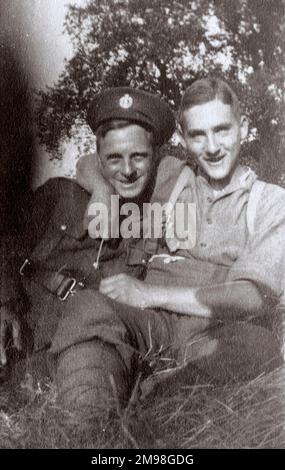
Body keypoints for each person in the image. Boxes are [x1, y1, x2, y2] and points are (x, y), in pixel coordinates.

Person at [51, 78, 285, 418]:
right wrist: (102, 191)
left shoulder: (271, 202)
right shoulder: (173, 177)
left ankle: (154, 402)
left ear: (243, 128)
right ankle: (90, 426)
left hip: (212, 328)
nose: (213, 147)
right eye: (198, 135)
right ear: (183, 139)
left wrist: (149, 295)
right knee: (90, 307)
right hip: (150, 322)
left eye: (222, 130)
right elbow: (95, 159)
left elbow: (251, 297)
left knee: (258, 346)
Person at [6, 87, 176, 382]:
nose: (127, 170)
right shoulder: (60, 195)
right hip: (17, 329)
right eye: (114, 158)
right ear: (98, 156)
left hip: (73, 355)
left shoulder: (155, 226)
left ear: (156, 156)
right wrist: (3, 304)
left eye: (139, 156)